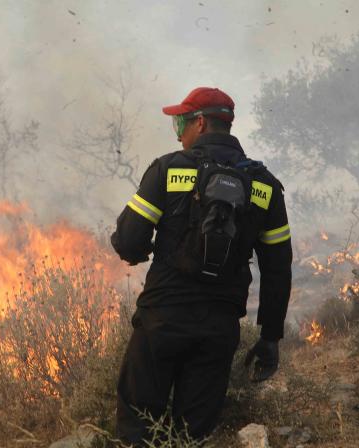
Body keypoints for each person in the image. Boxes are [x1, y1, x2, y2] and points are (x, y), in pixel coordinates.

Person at [111, 87, 292, 444]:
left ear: (200, 123)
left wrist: (138, 252)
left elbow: (129, 239)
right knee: (192, 437)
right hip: (218, 328)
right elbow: (278, 269)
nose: (177, 132)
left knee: (138, 429)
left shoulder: (168, 169)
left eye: (180, 122)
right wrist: (270, 337)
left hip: (161, 320)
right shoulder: (266, 186)